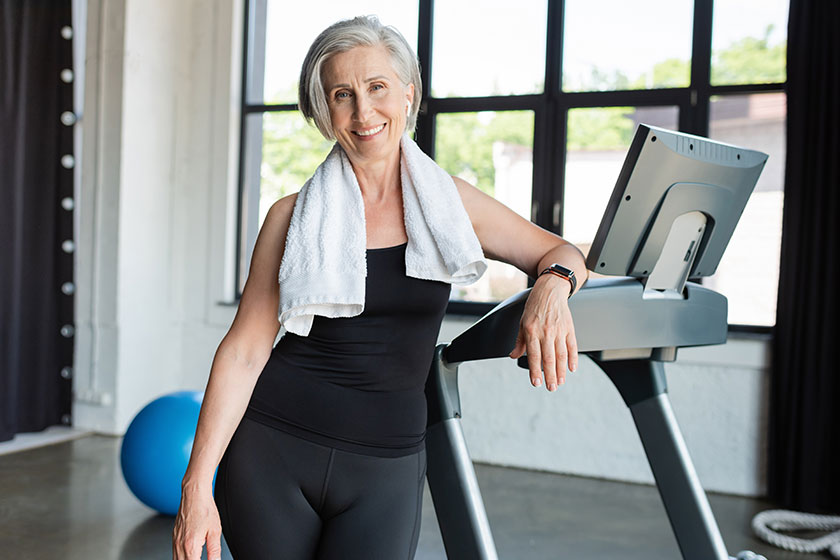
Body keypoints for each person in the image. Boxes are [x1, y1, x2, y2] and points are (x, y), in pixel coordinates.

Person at [172, 15, 588, 560]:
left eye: (377, 87)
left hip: (385, 463)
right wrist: (196, 486)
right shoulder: (289, 218)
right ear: (324, 111)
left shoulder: (451, 207)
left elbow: (561, 253)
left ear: (408, 93)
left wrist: (551, 288)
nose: (363, 113)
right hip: (271, 449)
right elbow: (244, 351)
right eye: (342, 95)